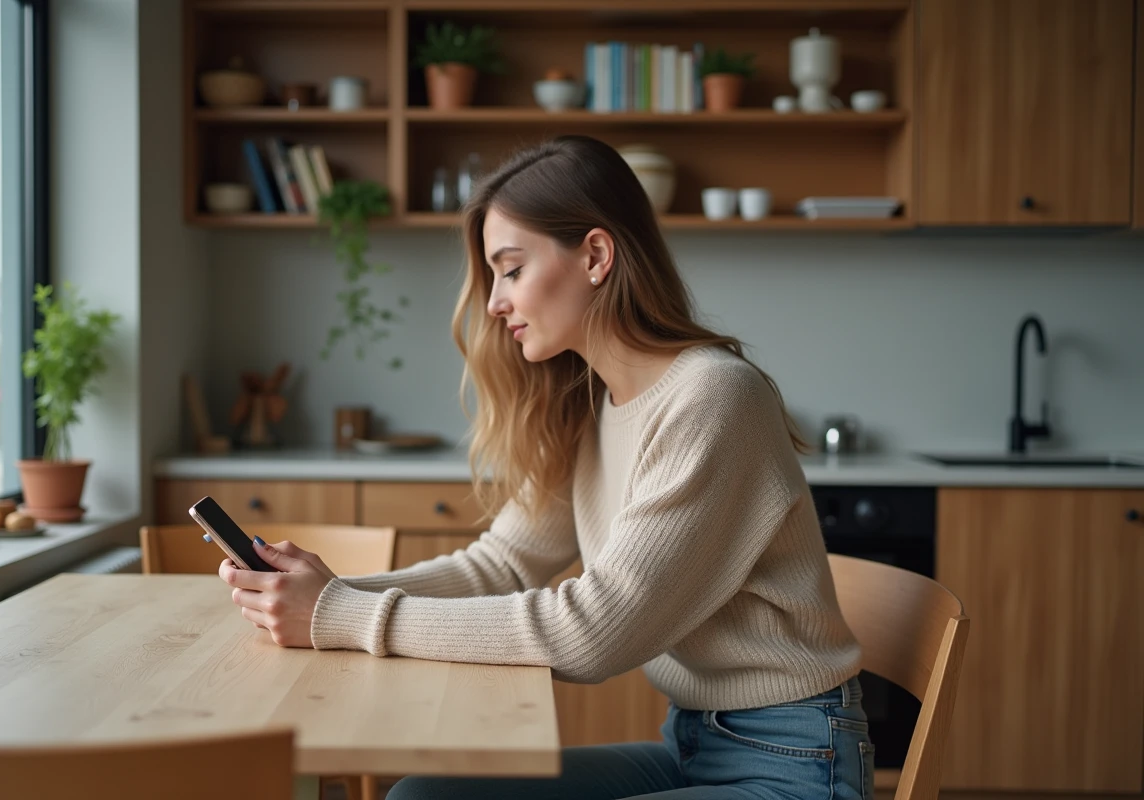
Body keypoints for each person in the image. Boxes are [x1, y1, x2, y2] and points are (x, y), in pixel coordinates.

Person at [218, 135, 872, 799]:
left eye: (510, 268)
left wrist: (340, 615)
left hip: (791, 761)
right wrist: (326, 595)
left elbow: (593, 634)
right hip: (692, 742)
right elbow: (497, 567)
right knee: (422, 797)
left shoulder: (713, 395)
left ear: (594, 255)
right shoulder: (587, 402)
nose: (496, 302)